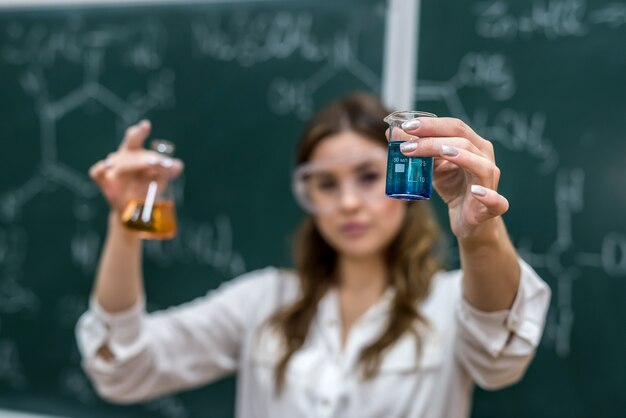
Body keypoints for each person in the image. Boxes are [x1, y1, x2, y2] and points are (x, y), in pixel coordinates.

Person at [76, 92, 551, 418]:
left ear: (402, 175)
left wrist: (479, 231)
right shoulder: (263, 302)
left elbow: (501, 358)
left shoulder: (448, 305)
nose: (347, 202)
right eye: (326, 183)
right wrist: (128, 221)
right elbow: (123, 368)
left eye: (367, 176)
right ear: (308, 195)